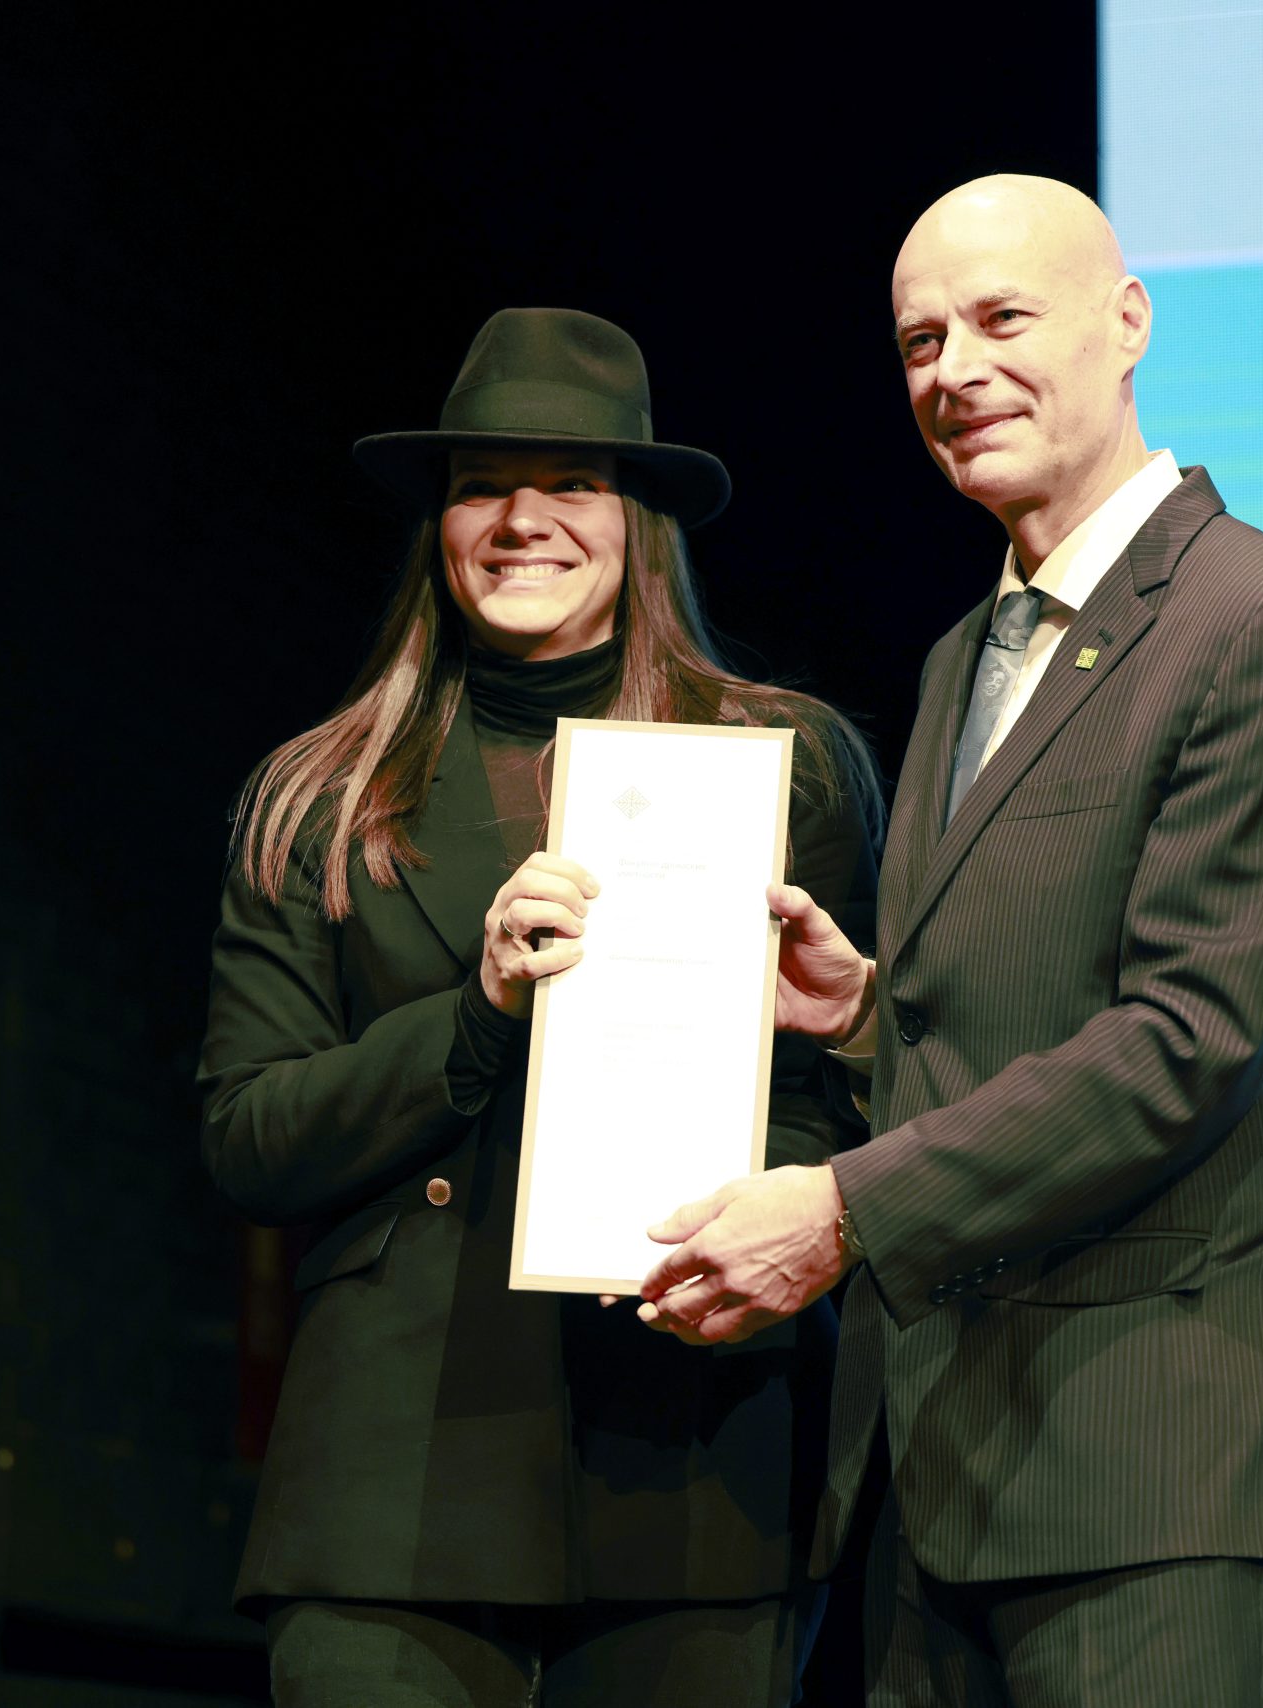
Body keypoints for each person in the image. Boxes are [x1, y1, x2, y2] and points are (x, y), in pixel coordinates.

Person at [630, 177, 1263, 1704]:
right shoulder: (962, 657)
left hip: (1146, 1465)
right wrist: (868, 1013)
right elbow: (1033, 998)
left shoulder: (1262, 621)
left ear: (1128, 323)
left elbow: (1189, 1043)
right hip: (937, 1463)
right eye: (921, 342)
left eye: (1001, 319)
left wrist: (842, 1210)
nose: (956, 372)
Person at [198, 306, 879, 1708]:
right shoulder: (320, 796)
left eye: (571, 481)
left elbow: (836, 1112)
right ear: (439, 526)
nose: (522, 521)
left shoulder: (781, 764)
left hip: (695, 1452)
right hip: (396, 1475)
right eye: (481, 487)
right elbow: (251, 1140)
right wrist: (478, 1009)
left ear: (639, 523)